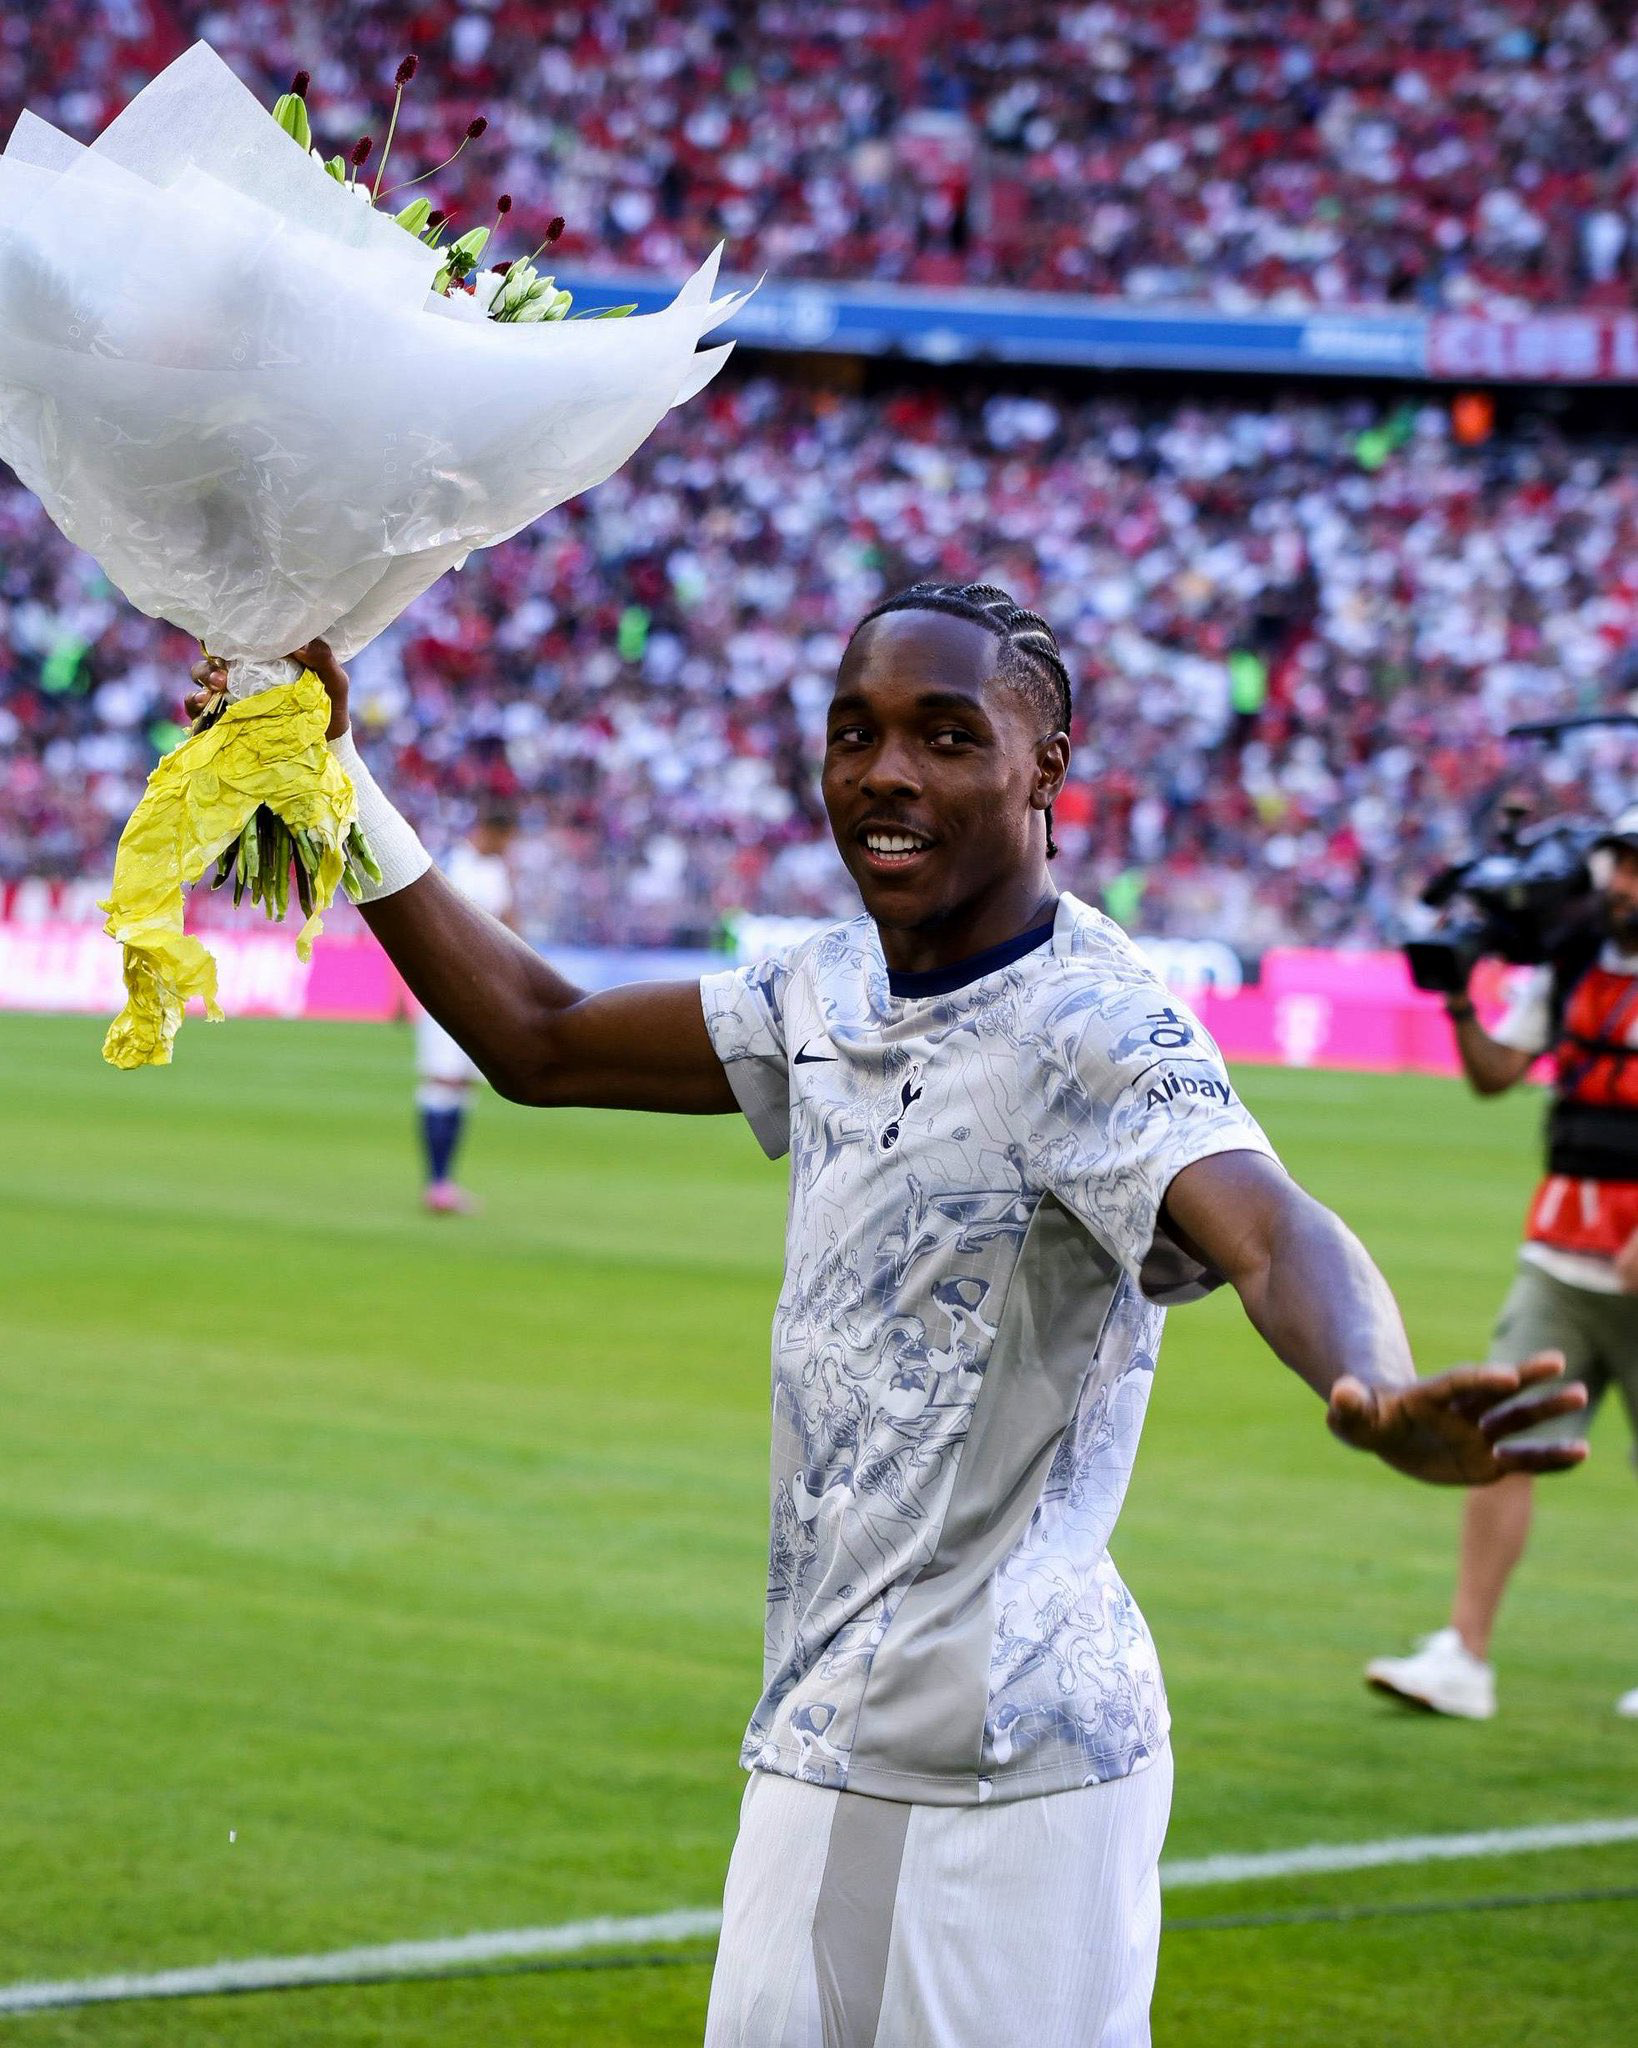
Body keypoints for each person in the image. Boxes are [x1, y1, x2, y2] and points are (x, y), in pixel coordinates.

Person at [190, 587, 1583, 2047]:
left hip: (976, 1763)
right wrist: (330, 779)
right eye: (853, 733)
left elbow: (1269, 1221)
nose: (884, 772)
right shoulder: (831, 980)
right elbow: (536, 1040)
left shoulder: (1092, 1026)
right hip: (854, 1729)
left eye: (944, 735)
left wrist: (1368, 1383)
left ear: (1045, 770)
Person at [1368, 807, 1638, 1723]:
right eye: (1621, 869)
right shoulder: (1573, 964)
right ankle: (1464, 1658)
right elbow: (1495, 1073)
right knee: (1507, 1440)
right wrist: (1456, 996)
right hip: (1562, 1247)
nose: (1625, 888)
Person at [413, 803, 517, 1214]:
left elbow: (509, 925)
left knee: (462, 1084)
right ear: (490, 832)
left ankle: (445, 1183)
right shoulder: (453, 863)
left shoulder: (495, 871)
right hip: (445, 990)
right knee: (441, 1080)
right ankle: (436, 1183)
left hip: (482, 994)